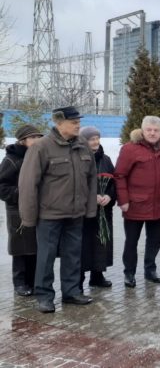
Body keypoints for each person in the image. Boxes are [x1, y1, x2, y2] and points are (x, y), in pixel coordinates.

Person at [18, 107, 97, 313]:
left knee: (73, 255)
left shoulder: (83, 146)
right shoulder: (41, 147)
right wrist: (28, 217)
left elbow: (91, 180)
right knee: (46, 257)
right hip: (49, 215)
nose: (78, 125)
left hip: (76, 214)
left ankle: (71, 292)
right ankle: (44, 296)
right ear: (59, 123)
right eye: (73, 122)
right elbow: (28, 184)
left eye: (78, 122)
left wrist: (89, 210)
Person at [114, 116, 160, 288]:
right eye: (149, 130)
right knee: (132, 241)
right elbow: (119, 175)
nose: (152, 133)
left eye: (156, 130)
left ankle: (150, 270)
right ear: (142, 130)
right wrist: (123, 200)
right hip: (134, 204)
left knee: (154, 241)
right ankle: (129, 273)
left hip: (157, 204)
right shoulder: (130, 149)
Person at [0, 125, 43, 296]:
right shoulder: (11, 160)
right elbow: (2, 186)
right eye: (33, 138)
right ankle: (19, 283)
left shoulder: (39, 157)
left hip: (37, 208)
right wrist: (23, 193)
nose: (37, 140)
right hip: (17, 210)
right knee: (20, 247)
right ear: (22, 140)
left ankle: (32, 281)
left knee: (35, 246)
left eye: (39, 137)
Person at [79, 126, 116, 289]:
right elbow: (77, 183)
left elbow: (114, 182)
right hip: (85, 212)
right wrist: (91, 197)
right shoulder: (79, 158)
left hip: (103, 210)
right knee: (84, 245)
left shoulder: (106, 159)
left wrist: (109, 196)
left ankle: (97, 275)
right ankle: (78, 279)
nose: (95, 142)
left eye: (97, 138)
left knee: (101, 243)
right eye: (91, 139)